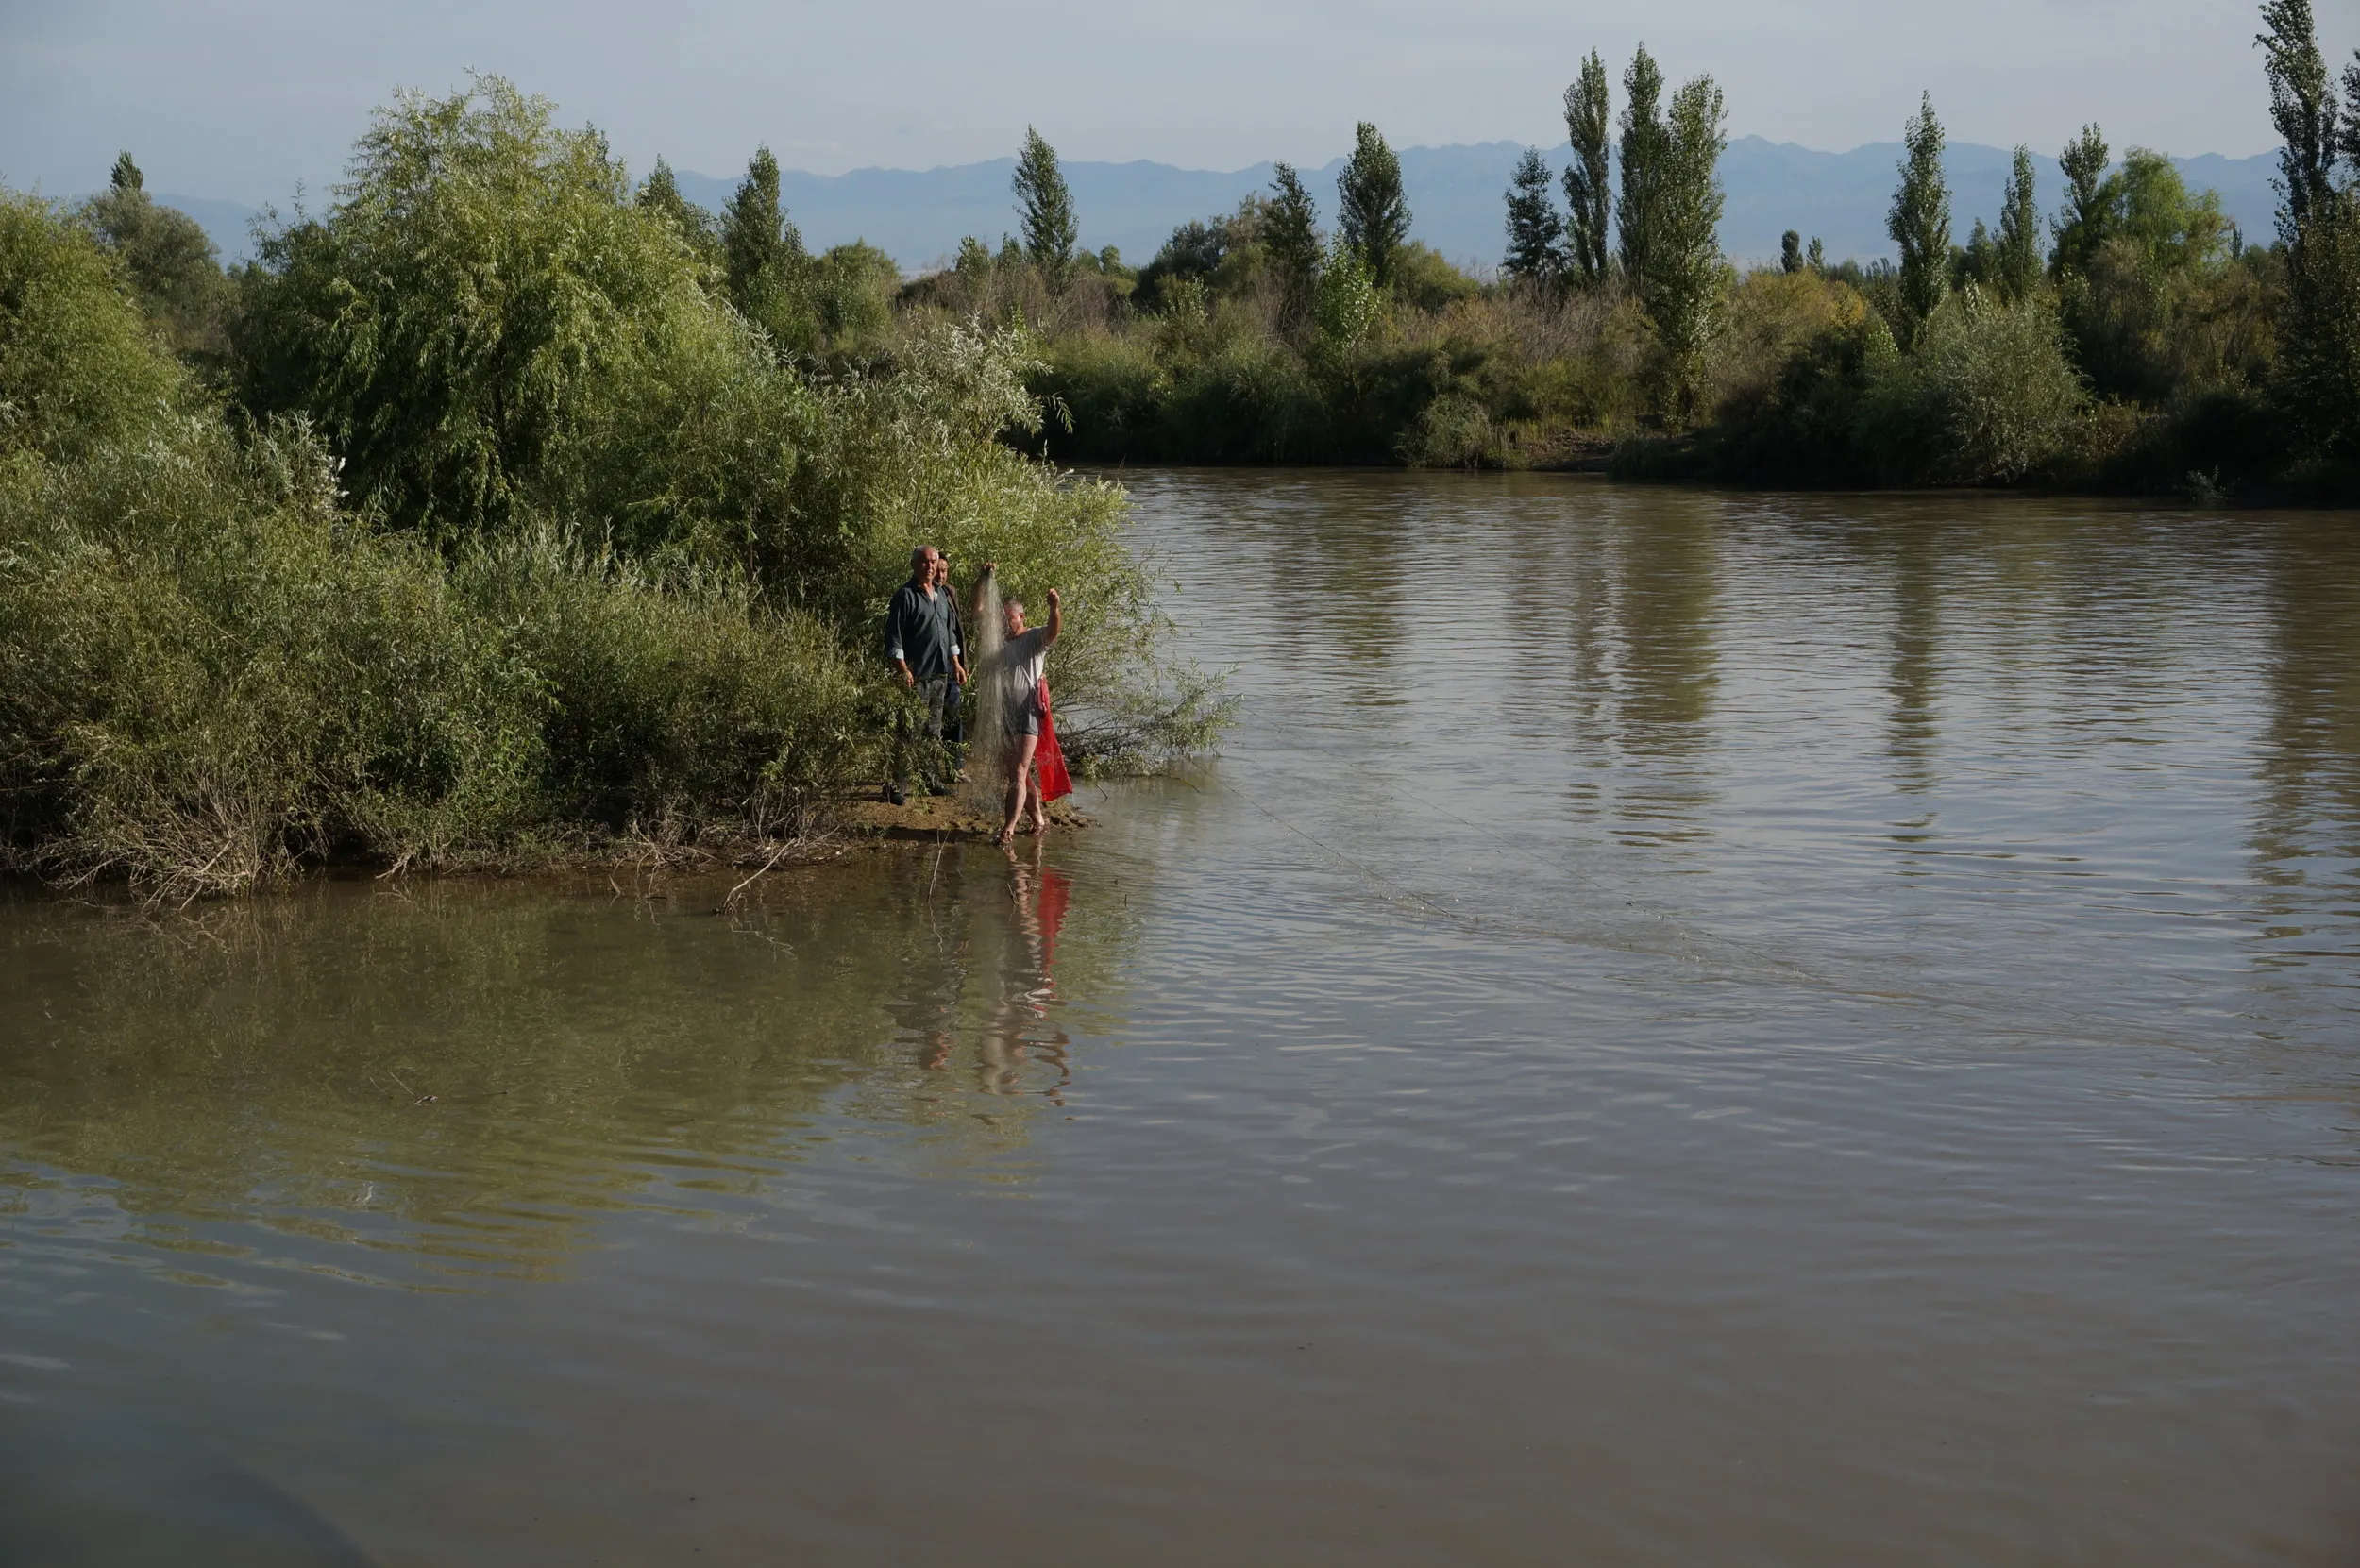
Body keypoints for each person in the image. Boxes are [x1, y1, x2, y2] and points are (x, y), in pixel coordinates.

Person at [974, 564, 1061, 847]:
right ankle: (1037, 819)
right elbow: (978, 612)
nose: (1003, 623)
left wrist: (1054, 607)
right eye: (1001, 619)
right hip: (1007, 708)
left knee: (1020, 771)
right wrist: (983, 580)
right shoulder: (1001, 644)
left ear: (1021, 617)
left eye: (1008, 618)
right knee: (1015, 773)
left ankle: (1008, 829)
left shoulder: (1033, 638)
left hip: (1028, 709)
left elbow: (1053, 631)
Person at [884, 545, 967, 802]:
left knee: (933, 731)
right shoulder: (905, 596)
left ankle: (931, 781)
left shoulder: (941, 595)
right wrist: (903, 670)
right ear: (914, 564)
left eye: (933, 562)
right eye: (925, 562)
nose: (930, 567)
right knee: (908, 732)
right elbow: (893, 640)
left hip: (940, 675)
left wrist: (956, 663)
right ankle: (895, 787)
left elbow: (949, 633)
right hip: (916, 677)